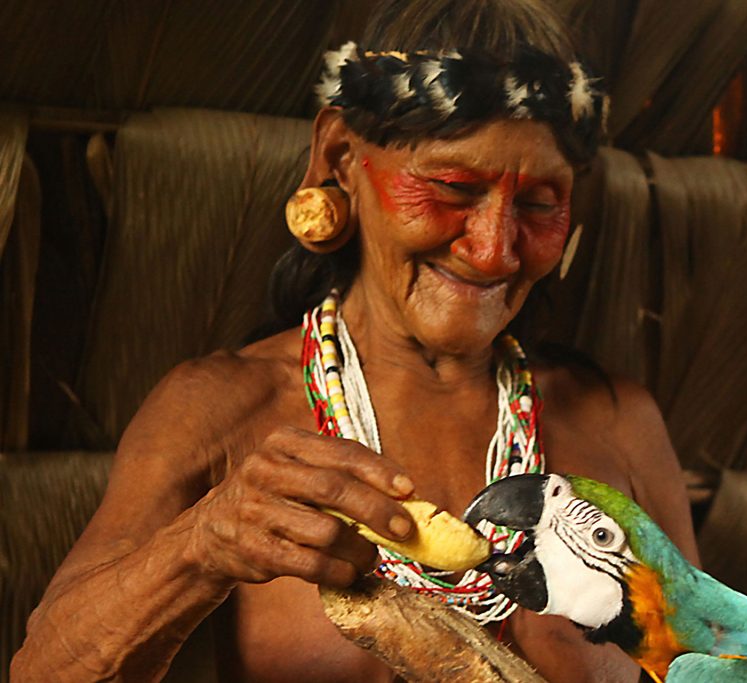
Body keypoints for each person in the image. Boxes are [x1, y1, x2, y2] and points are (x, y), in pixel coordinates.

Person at [11, 1, 699, 681]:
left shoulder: (617, 426)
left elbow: (712, 666)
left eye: (538, 203)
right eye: (452, 187)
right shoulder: (220, 409)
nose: (494, 250)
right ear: (340, 156)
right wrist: (201, 544)